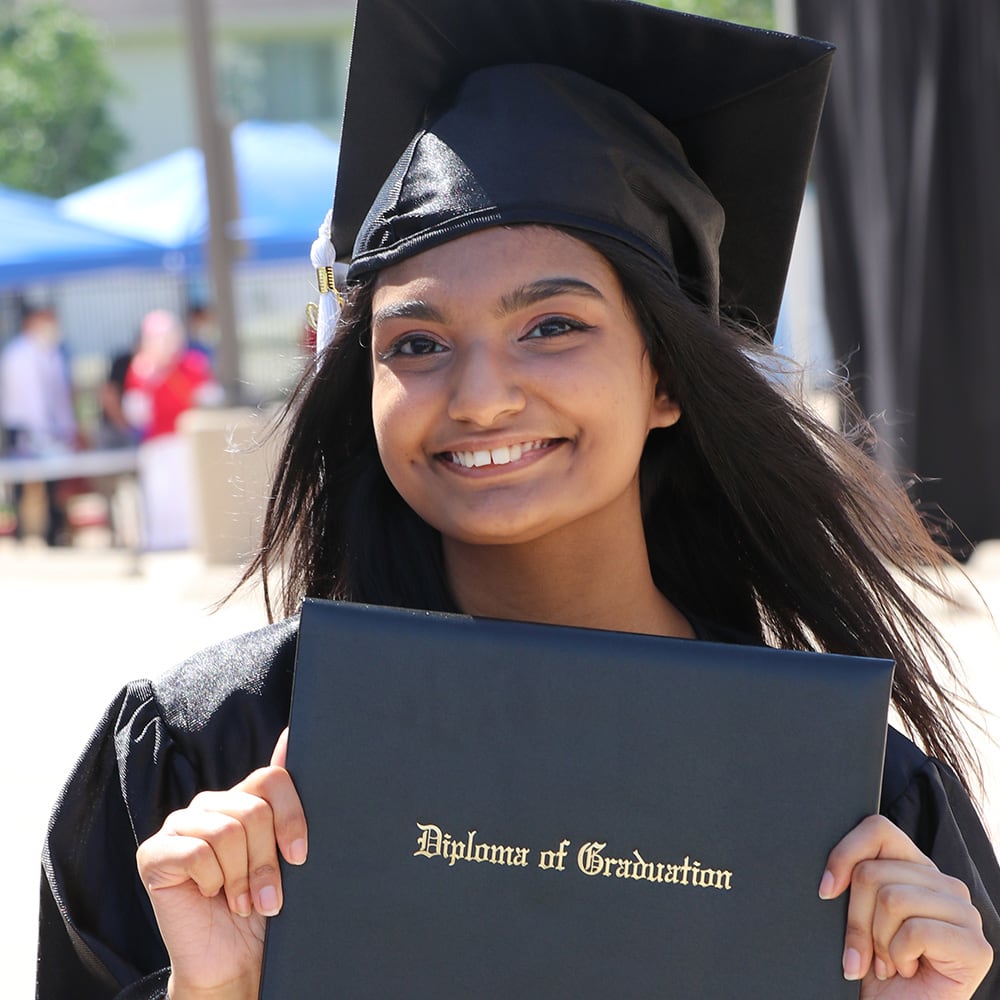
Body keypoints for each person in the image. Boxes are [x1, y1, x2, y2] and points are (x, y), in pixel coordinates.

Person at [37, 1, 998, 998]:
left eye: (551, 326)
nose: (481, 397)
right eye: (416, 343)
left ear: (666, 377)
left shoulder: (846, 808)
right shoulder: (209, 759)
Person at [122, 308, 222, 550]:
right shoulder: (140, 369)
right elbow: (136, 414)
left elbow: (211, 398)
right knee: (161, 495)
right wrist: (149, 381)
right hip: (157, 444)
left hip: (188, 441)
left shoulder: (192, 363)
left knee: (190, 494)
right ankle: (162, 543)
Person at [0, 301, 78, 545]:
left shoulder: (52, 352)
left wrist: (66, 429)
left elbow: (60, 397)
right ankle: (21, 533)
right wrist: (43, 431)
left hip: (51, 430)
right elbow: (31, 400)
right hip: (23, 428)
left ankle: (53, 532)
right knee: (21, 483)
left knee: (52, 482)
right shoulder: (18, 354)